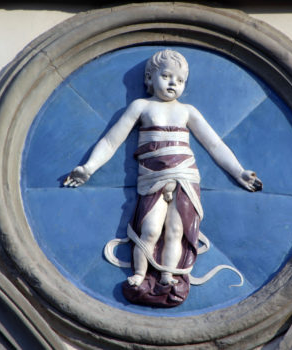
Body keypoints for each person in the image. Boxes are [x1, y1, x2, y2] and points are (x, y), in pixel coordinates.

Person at [64, 49, 262, 307]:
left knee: (176, 231)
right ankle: (139, 273)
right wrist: (88, 168)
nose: (172, 83)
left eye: (179, 80)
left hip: (185, 178)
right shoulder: (141, 107)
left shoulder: (188, 112)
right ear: (149, 78)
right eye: (166, 76)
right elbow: (112, 140)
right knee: (150, 229)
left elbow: (214, 145)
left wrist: (239, 172)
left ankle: (168, 274)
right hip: (152, 180)